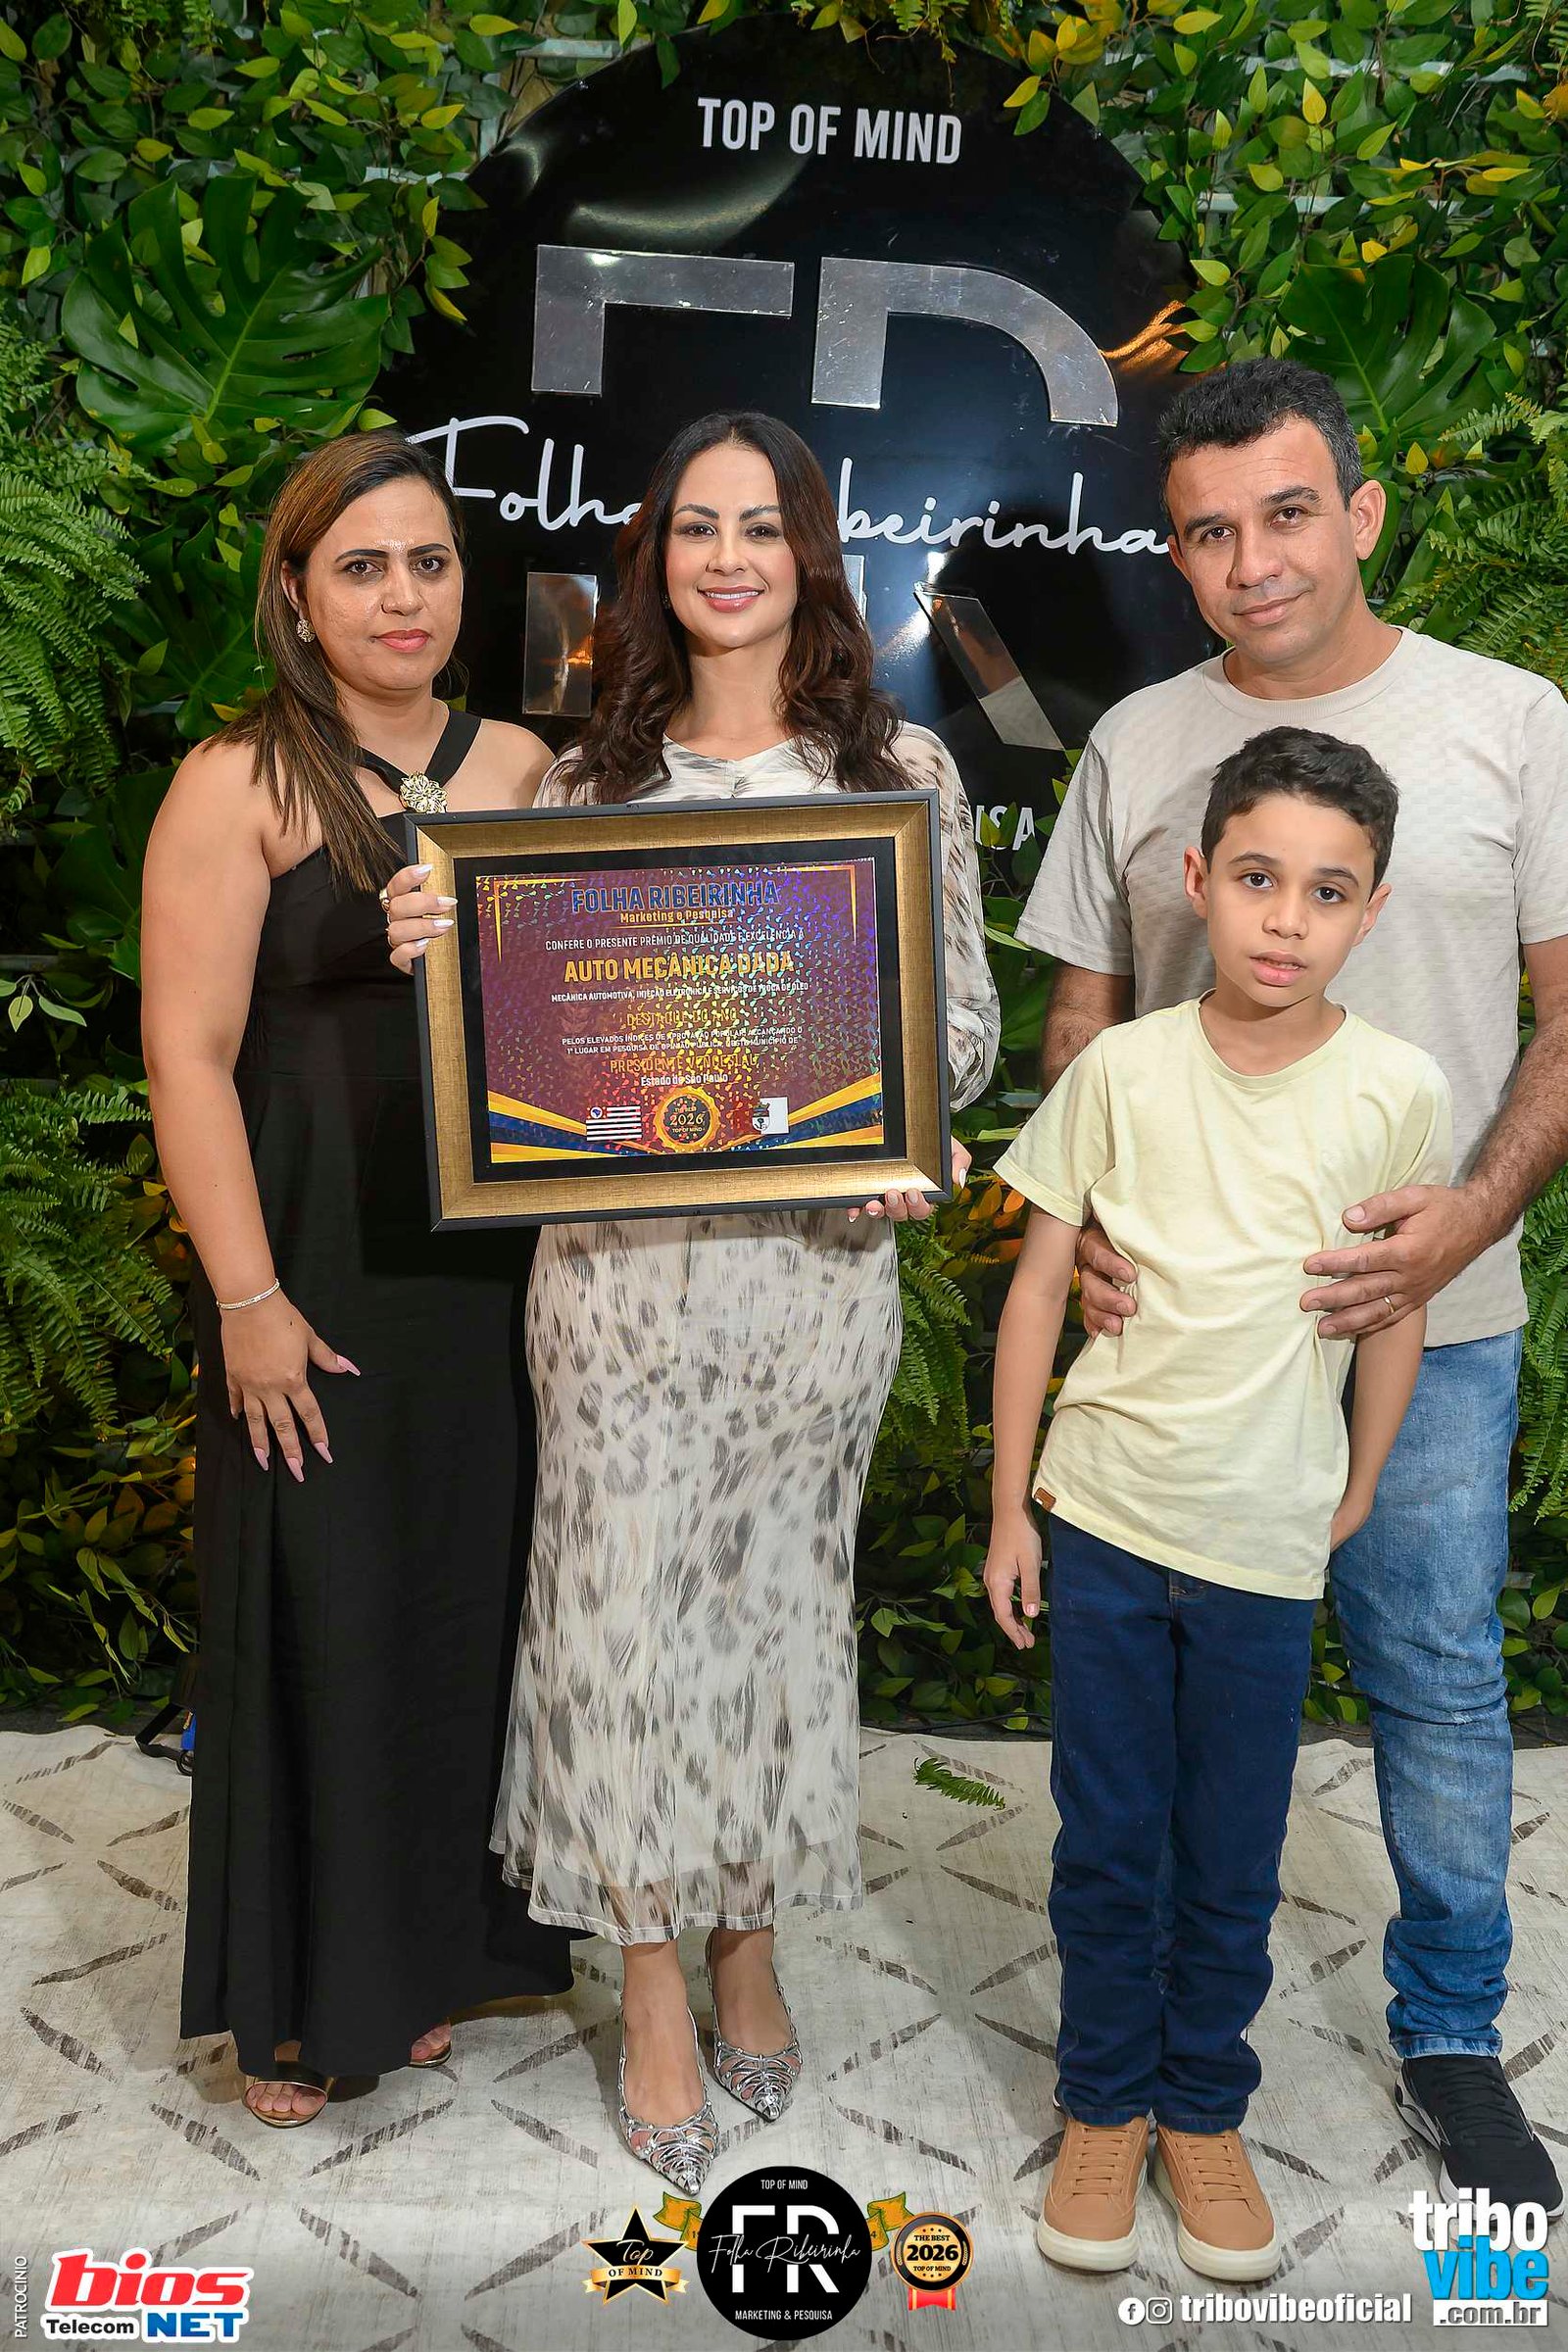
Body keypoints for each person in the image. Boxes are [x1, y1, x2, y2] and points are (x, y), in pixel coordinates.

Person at [385, 410, 1000, 2192]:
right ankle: (650, 1975)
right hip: (619, 1286)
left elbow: (960, 1028)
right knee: (616, 1623)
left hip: (814, 1283)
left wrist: (911, 1130)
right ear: (653, 557)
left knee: (775, 1619)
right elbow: (526, 1049)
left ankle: (751, 1941)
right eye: (695, 529)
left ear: (811, 553)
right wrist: (440, 962)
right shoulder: (585, 786)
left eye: (762, 526)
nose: (728, 558)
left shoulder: (904, 772)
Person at [1015, 356, 1568, 2221]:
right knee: (1154, 1746)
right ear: (1174, 553)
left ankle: (1450, 2035)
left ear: (1363, 512)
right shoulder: (1136, 744)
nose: (1251, 561)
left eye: (1287, 513)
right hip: (1182, 1351)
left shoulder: (1511, 722)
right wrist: (1090, 1229)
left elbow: (1567, 1020)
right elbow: (1085, 1011)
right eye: (1207, 532)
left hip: (1430, 1321)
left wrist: (1466, 1220)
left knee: (1433, 1673)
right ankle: (1136, 2079)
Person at [141, 431, 572, 2129]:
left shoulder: (524, 768)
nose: (404, 596)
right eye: (363, 566)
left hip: (492, 1279)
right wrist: (248, 1302)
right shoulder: (238, 781)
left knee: (463, 1603)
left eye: (430, 561)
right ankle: (301, 2002)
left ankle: (429, 1957)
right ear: (300, 595)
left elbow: (588, 1020)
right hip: (310, 1260)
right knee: (320, 1611)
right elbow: (187, 1060)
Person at [987, 728, 1449, 2278]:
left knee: (1236, 1848)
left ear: (1372, 909)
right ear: (1197, 880)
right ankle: (1103, 2103)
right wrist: (1011, 1507)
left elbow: (1392, 1310)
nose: (1284, 919)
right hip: (1109, 1516)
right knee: (1110, 1835)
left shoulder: (1398, 1090)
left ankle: (1202, 2107)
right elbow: (1037, 1287)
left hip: (1266, 1538)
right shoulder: (1122, 1070)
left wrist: (1358, 1484)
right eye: (1257, 878)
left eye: (1327, 891)